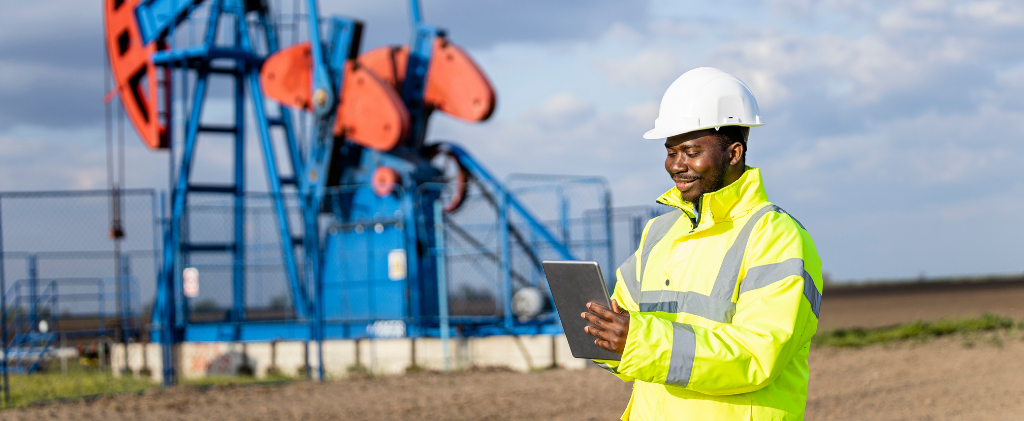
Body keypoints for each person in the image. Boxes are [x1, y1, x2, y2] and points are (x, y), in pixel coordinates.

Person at [581, 67, 822, 420]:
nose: (677, 165)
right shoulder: (659, 233)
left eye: (690, 152)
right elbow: (625, 337)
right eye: (670, 152)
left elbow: (756, 356)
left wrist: (637, 341)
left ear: (734, 153)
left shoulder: (775, 235)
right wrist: (601, 336)